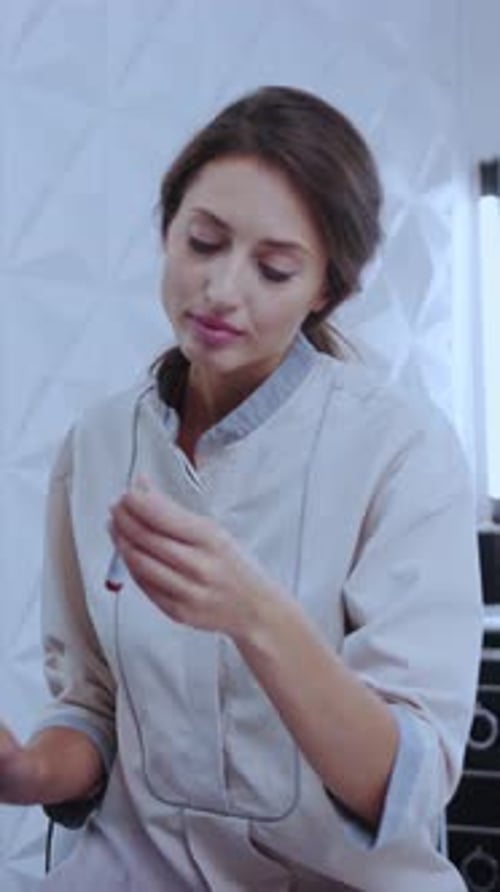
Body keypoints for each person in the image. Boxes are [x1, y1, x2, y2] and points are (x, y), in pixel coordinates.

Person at [0, 85, 483, 891]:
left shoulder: (402, 449)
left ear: (325, 288)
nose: (222, 290)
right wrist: (24, 773)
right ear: (167, 232)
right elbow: (91, 707)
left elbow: (408, 782)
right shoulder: (99, 446)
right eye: (202, 242)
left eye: (273, 268)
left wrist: (254, 615)